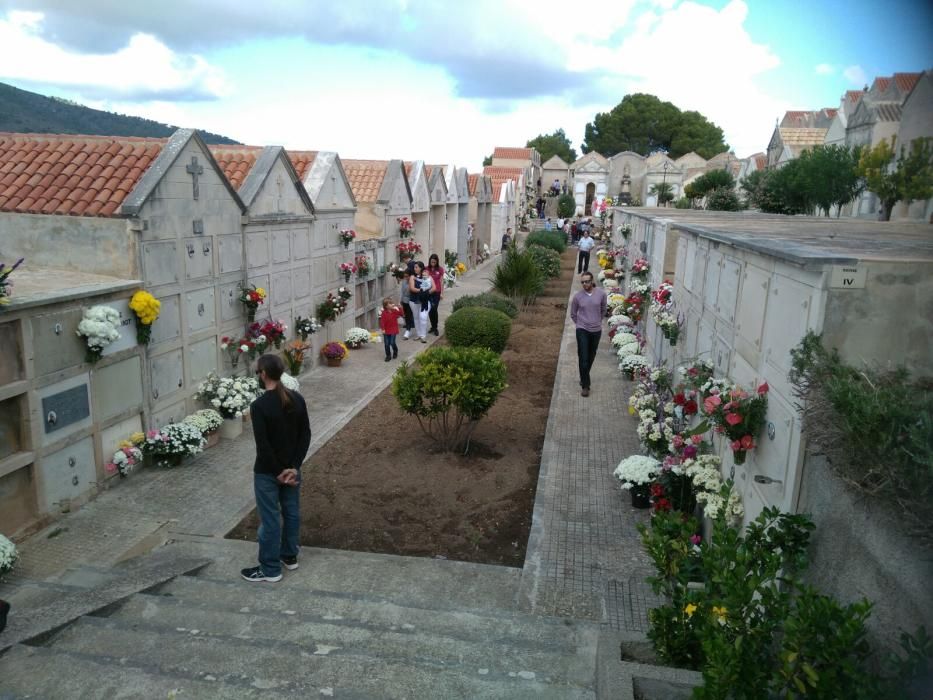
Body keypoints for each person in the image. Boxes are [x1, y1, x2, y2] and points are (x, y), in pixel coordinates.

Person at [241, 354, 312, 583]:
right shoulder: (297, 399)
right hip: (291, 471)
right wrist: (293, 467)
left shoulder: (259, 406)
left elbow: (264, 446)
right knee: (291, 513)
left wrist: (278, 472)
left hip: (267, 473)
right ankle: (289, 556)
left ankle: (270, 568)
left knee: (270, 519)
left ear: (263, 374)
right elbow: (305, 436)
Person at [570, 271, 607, 398]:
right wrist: (581, 323)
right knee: (583, 357)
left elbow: (603, 310)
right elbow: (573, 314)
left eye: (587, 281)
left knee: (591, 356)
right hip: (582, 329)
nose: (584, 284)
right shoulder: (578, 297)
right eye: (582, 282)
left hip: (596, 330)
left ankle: (583, 376)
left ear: (592, 281)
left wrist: (597, 321)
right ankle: (586, 386)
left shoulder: (601, 294)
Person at [407, 261, 434, 343]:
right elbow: (412, 288)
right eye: (414, 267)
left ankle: (423, 336)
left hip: (425, 301)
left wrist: (426, 293)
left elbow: (434, 288)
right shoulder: (412, 277)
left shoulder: (428, 276)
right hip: (414, 300)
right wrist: (422, 291)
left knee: (423, 316)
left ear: (421, 268)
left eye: (416, 267)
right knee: (416, 317)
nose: (415, 269)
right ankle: (419, 334)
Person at [425, 253, 445, 336]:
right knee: (430, 309)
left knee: (434, 309)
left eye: (434, 262)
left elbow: (441, 281)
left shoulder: (440, 269)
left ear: (437, 262)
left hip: (436, 292)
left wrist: (442, 293)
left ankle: (435, 327)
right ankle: (432, 327)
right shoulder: (426, 269)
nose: (433, 263)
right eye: (431, 262)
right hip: (428, 291)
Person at [399, 269, 415, 340]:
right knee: (406, 315)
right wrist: (401, 300)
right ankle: (409, 329)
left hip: (411, 301)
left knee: (410, 315)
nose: (406, 278)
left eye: (407, 276)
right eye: (405, 276)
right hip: (405, 301)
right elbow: (402, 291)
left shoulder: (413, 281)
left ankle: (408, 330)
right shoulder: (404, 281)